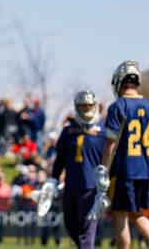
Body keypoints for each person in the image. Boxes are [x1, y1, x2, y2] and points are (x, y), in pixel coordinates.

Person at [94, 61, 149, 249]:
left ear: (119, 81)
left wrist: (103, 170)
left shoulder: (118, 106)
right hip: (146, 171)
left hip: (125, 170)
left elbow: (110, 143)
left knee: (120, 215)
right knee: (138, 214)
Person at [38, 90, 105, 249]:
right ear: (76, 107)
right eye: (82, 106)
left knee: (86, 230)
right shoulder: (68, 131)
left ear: (95, 106)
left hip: (91, 188)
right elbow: (60, 159)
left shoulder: (103, 132)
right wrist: (53, 179)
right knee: (70, 224)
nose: (86, 109)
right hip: (70, 186)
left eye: (89, 106)